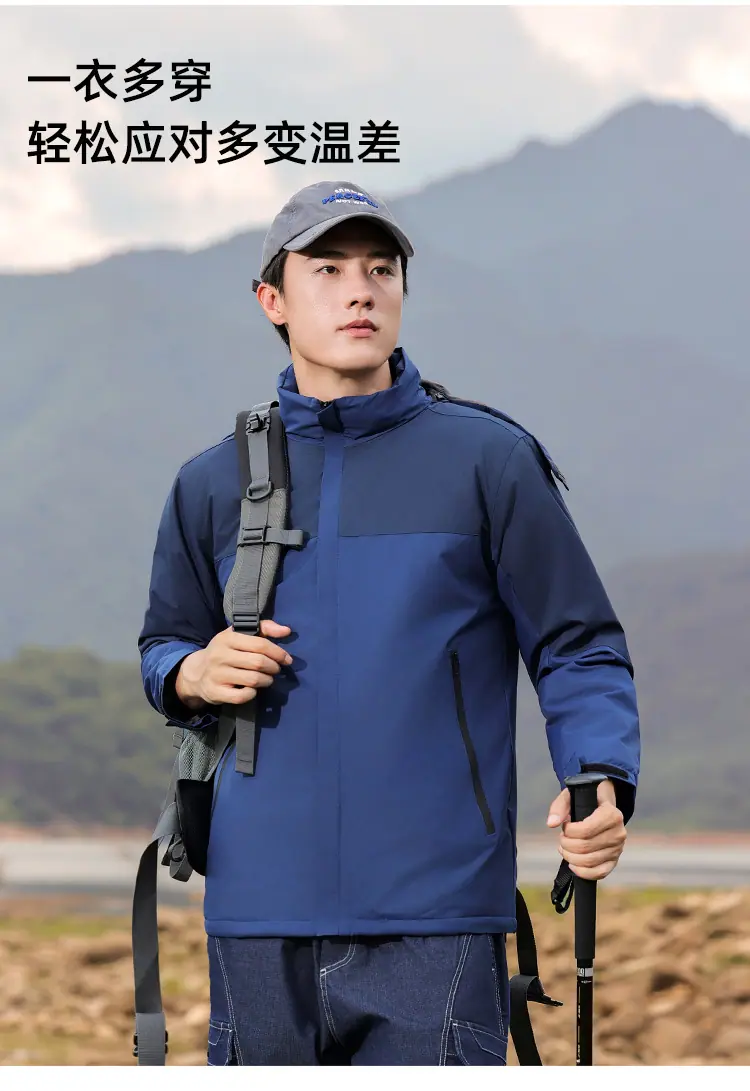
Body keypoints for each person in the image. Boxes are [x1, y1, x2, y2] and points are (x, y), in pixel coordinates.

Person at [138, 179, 641, 1066]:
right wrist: (191, 672)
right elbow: (163, 645)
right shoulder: (212, 482)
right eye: (328, 270)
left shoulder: (490, 460)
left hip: (437, 914)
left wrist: (599, 769)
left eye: (380, 269)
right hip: (257, 910)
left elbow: (576, 642)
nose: (360, 291)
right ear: (272, 300)